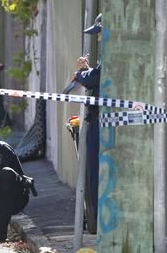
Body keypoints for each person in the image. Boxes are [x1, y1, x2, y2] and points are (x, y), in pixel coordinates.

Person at [74, 13, 102, 221]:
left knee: (96, 170)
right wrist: (87, 70)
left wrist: (81, 74)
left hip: (101, 121)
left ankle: (99, 218)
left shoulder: (110, 51)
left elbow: (96, 78)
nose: (98, 38)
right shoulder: (106, 52)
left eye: (99, 33)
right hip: (99, 119)